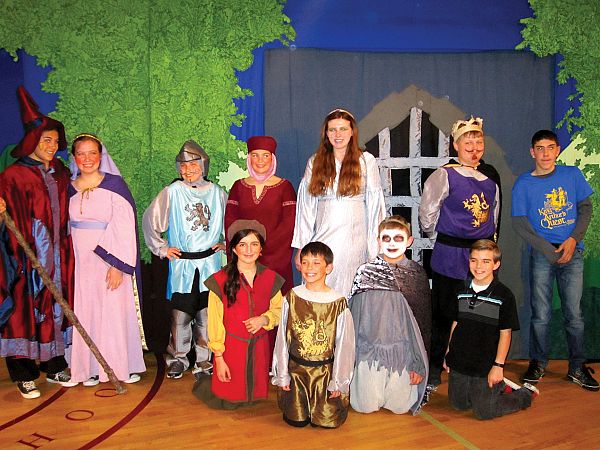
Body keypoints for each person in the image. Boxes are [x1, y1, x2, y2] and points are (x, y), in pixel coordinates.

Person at [0, 86, 76, 399]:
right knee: (22, 311)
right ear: (32, 140)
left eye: (56, 142)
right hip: (24, 257)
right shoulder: (13, 175)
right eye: (46, 140)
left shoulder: (60, 172)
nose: (52, 146)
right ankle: (23, 373)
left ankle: (54, 364)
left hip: (59, 255)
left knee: (54, 307)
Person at [512, 130, 597, 391]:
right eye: (540, 148)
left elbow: (585, 208)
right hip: (542, 254)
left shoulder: (572, 175)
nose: (545, 153)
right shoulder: (524, 183)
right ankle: (538, 362)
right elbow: (520, 224)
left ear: (558, 150)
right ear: (532, 152)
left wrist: (572, 240)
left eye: (550, 147)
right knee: (540, 314)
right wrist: (548, 250)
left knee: (574, 314)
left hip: (573, 253)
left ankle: (577, 367)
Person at [419, 116, 501, 387]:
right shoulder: (445, 175)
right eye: (468, 143)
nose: (474, 148)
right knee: (444, 313)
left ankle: (474, 364)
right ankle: (435, 366)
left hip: (480, 257)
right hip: (450, 254)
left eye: (479, 143)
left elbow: (493, 218)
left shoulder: (489, 179)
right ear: (456, 145)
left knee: (479, 313)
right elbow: (427, 214)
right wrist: (441, 237)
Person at [143, 140, 226, 379]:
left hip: (209, 264)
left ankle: (203, 360)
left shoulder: (217, 193)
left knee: (206, 315)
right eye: (184, 166)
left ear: (203, 166)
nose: (188, 170)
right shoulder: (173, 192)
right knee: (180, 316)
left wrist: (227, 243)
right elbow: (151, 220)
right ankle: (178, 358)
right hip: (183, 265)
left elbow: (229, 221)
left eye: (193, 165)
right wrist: (162, 248)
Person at [67, 133, 146, 386]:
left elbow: (124, 225)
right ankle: (88, 368)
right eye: (81, 153)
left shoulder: (115, 185)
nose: (87, 158)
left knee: (113, 311)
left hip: (109, 259)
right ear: (74, 157)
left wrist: (116, 265)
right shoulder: (68, 188)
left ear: (101, 156)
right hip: (81, 262)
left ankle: (118, 366)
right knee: (86, 310)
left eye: (92, 153)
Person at [292, 108, 386, 298]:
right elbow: (306, 207)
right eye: (332, 129)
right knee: (320, 287)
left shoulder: (366, 161)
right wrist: (302, 245)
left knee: (351, 290)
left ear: (352, 132)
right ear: (326, 133)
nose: (338, 134)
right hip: (324, 237)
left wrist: (375, 245)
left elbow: (375, 205)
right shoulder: (315, 162)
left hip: (355, 240)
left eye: (343, 129)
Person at [194, 220, 284, 409]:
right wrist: (219, 357)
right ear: (234, 249)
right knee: (229, 400)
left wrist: (265, 319)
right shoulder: (220, 280)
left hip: (259, 348)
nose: (249, 250)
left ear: (261, 249)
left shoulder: (270, 278)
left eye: (254, 244)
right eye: (242, 245)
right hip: (231, 349)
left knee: (253, 397)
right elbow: (215, 322)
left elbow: (280, 309)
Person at [444, 240, 538, 420]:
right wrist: (449, 351)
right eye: (474, 260)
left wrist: (498, 366)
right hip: (461, 359)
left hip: (485, 364)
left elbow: (506, 333)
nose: (478, 266)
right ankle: (496, 388)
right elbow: (456, 322)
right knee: (458, 405)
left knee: (484, 412)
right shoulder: (460, 290)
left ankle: (523, 394)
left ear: (496, 264)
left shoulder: (504, 295)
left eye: (486, 261)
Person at [349, 216, 431, 414]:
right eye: (386, 238)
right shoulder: (366, 273)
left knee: (400, 407)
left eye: (398, 238)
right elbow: (353, 318)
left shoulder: (415, 274)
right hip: (369, 352)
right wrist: (350, 362)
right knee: (364, 406)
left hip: (402, 353)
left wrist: (418, 364)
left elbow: (423, 325)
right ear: (378, 241)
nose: (392, 243)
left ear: (409, 241)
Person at [272, 241, 355, 428]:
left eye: (316, 263)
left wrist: (338, 382)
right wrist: (282, 374)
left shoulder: (338, 303)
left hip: (324, 376)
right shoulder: (292, 297)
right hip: (297, 373)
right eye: (305, 262)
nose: (309, 268)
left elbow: (345, 346)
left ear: (328, 267)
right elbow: (282, 339)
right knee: (296, 421)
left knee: (325, 422)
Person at [225, 135, 296, 294]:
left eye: (265, 155)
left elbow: (288, 225)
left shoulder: (285, 187)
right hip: (244, 257)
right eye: (255, 155)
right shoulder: (238, 187)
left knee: (274, 302)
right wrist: (246, 249)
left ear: (273, 158)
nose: (260, 160)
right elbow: (230, 221)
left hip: (276, 257)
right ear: (249, 158)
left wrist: (262, 249)